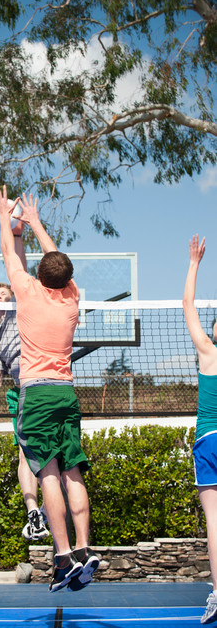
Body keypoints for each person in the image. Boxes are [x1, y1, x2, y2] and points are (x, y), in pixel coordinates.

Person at [0, 185, 99, 593]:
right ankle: (85, 548)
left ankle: (64, 555)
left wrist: (7, 218)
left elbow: (7, 252)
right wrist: (34, 223)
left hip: (36, 394)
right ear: (68, 279)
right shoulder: (72, 298)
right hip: (67, 393)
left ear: (40, 275)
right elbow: (57, 263)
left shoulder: (28, 292)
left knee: (48, 473)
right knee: (73, 471)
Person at [0, 221, 49, 541]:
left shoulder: (21, 311)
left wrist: (16, 234)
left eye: (4, 294)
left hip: (44, 383)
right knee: (24, 454)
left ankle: (49, 508)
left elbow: (18, 268)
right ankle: (34, 513)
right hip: (23, 393)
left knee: (52, 455)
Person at [183, 234, 217, 625]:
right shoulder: (208, 351)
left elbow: (188, 305)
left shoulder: (208, 351)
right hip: (209, 440)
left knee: (214, 521)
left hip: (209, 441)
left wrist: (194, 263)